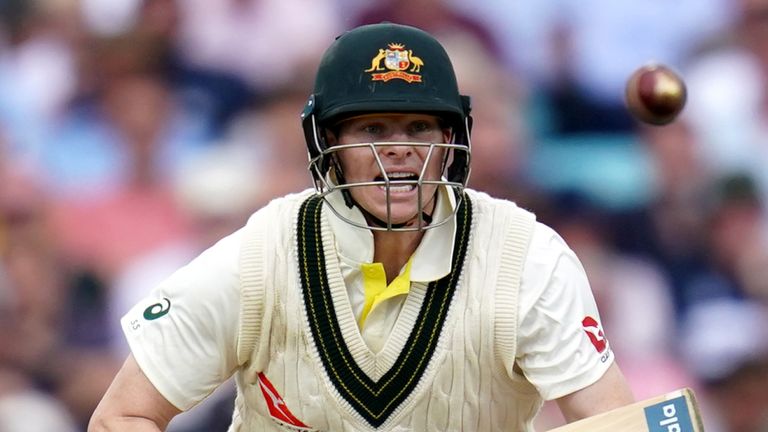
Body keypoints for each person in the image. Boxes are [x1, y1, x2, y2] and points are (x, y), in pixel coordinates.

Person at [88, 22, 634, 431]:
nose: (398, 149)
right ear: (329, 145)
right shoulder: (263, 254)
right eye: (373, 126)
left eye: (419, 127)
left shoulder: (526, 258)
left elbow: (614, 422)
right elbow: (122, 416)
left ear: (451, 143)